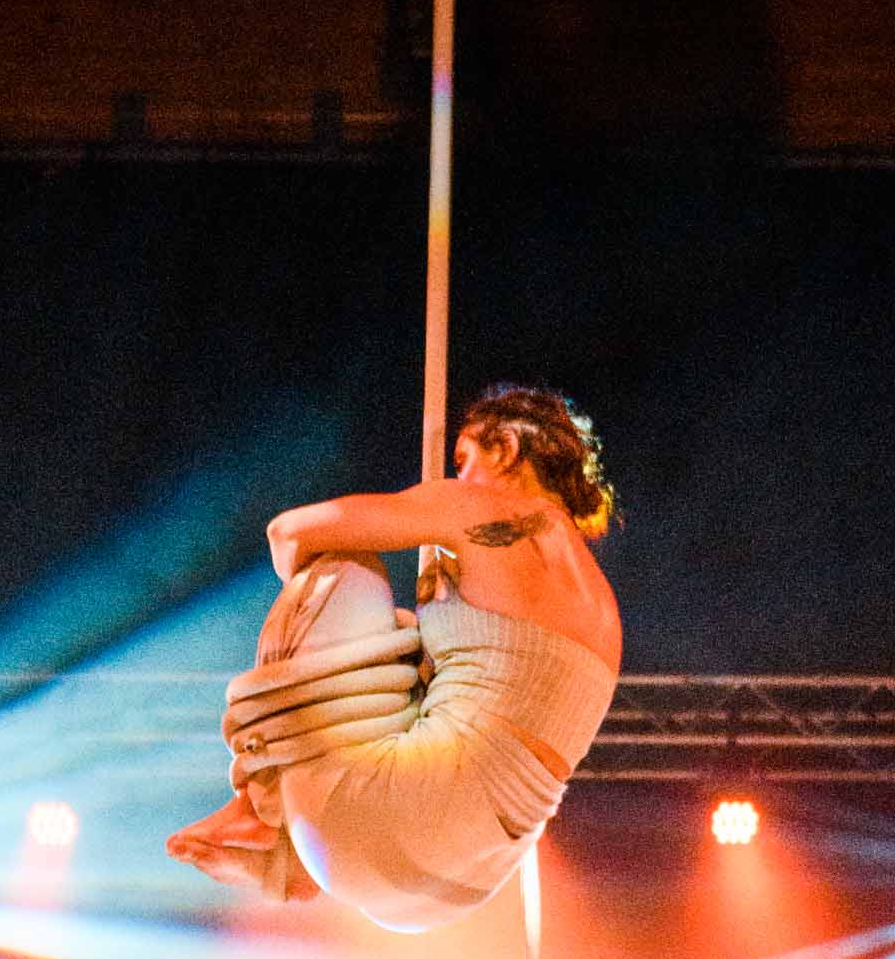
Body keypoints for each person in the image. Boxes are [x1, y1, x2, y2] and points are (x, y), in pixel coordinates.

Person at [166, 386, 622, 931]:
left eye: (464, 459)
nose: (460, 477)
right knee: (407, 644)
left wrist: (305, 616)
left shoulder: (483, 505)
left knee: (341, 565)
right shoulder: (604, 604)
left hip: (386, 824)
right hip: (459, 888)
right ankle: (302, 836)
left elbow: (288, 531)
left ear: (504, 448)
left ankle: (263, 804)